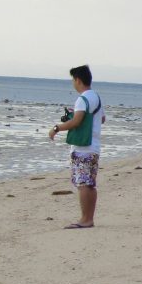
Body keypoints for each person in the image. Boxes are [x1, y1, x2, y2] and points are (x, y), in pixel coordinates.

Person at [48, 64, 106, 229]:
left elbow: (76, 121)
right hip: (94, 146)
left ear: (78, 80)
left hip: (82, 147)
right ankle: (89, 218)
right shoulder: (96, 96)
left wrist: (56, 128)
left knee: (82, 184)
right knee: (90, 184)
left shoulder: (82, 99)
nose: (73, 83)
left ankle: (85, 219)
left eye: (73, 80)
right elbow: (102, 119)